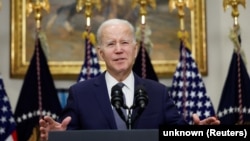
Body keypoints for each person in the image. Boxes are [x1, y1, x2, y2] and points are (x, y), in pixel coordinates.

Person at [39, 18, 220, 141]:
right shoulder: (80, 94)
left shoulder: (158, 93)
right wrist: (60, 137)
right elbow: (70, 134)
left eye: (125, 42)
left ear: (134, 49)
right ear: (101, 53)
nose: (119, 49)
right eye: (111, 44)